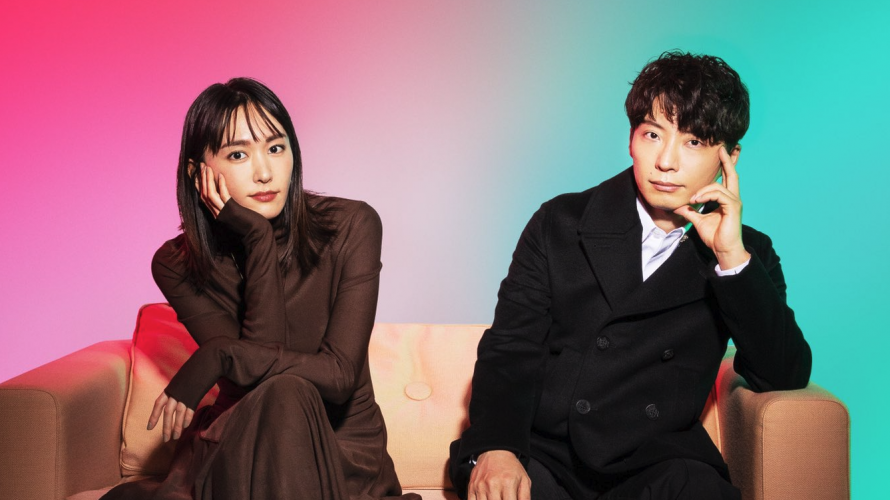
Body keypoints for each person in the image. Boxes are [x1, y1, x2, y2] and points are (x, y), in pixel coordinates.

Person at [449, 51, 812, 500]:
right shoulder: (560, 222)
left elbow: (782, 374)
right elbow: (511, 347)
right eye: (652, 134)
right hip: (544, 452)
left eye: (694, 142)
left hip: (657, 461)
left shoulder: (747, 252)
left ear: (729, 157)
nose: (666, 161)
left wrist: (729, 256)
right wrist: (498, 447)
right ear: (631, 139)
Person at [103, 78, 419, 500]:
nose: (265, 172)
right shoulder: (176, 264)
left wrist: (219, 354)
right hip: (246, 444)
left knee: (287, 391)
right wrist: (258, 239)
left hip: (344, 453)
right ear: (199, 173)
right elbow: (255, 381)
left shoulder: (351, 226)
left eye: (276, 147)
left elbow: (339, 376)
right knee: (282, 392)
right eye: (238, 154)